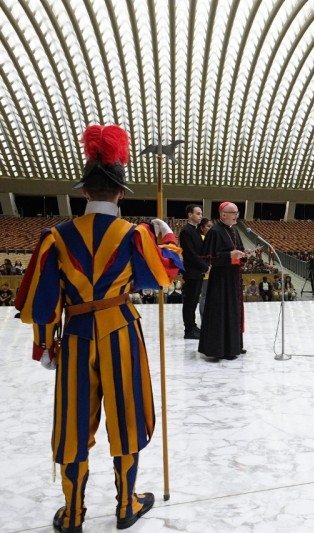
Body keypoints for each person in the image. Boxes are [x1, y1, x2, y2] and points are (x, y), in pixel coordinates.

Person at [15, 124, 184, 532]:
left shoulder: (55, 238)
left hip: (74, 336)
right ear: (121, 194)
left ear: (85, 192)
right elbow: (163, 276)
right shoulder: (135, 234)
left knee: (74, 422)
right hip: (121, 331)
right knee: (127, 415)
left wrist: (45, 347)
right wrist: (167, 236)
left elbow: (43, 302)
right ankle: (127, 503)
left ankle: (73, 513)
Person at [198, 202, 250, 360]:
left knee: (233, 311)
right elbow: (208, 257)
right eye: (234, 212)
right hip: (220, 280)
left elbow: (238, 250)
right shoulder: (214, 231)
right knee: (221, 312)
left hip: (233, 277)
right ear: (223, 214)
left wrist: (244, 254)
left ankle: (233, 347)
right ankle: (219, 349)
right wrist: (229, 255)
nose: (236, 215)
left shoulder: (234, 230)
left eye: (237, 212)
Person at [179, 204, 208, 339]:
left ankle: (193, 326)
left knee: (194, 300)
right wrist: (205, 266)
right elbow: (190, 254)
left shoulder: (197, 231)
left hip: (198, 271)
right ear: (190, 215)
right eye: (198, 213)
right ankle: (189, 329)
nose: (200, 216)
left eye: (201, 213)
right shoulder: (186, 231)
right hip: (191, 272)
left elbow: (202, 252)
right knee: (190, 302)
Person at [198, 217, 213, 316]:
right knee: (204, 296)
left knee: (208, 296)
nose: (211, 229)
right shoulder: (201, 239)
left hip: (211, 272)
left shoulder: (209, 239)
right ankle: (204, 318)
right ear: (202, 228)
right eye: (208, 226)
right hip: (205, 272)